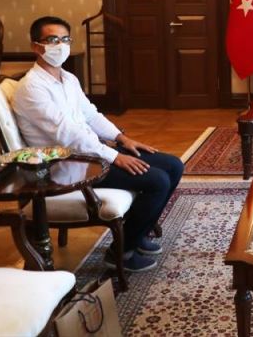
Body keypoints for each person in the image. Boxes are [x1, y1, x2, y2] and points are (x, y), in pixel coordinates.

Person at [13, 16, 183, 273]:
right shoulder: (31, 88)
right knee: (157, 181)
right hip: (68, 165)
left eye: (65, 39)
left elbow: (91, 115)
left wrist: (121, 138)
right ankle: (121, 252)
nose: (60, 45)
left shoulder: (68, 79)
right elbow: (68, 135)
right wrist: (115, 156)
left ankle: (137, 233)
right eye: (52, 40)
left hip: (92, 152)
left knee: (173, 165)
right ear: (36, 46)